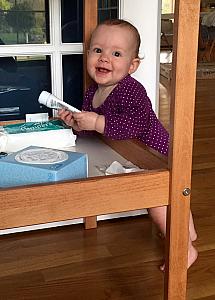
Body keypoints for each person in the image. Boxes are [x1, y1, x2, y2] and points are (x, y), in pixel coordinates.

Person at [58, 19, 198, 270]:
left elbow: (133, 126)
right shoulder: (93, 91)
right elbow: (95, 133)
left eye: (116, 54)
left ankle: (184, 249)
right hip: (125, 153)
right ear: (88, 54)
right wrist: (77, 123)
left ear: (132, 65)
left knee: (157, 200)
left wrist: (98, 121)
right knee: (171, 198)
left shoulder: (131, 91)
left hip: (153, 152)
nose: (104, 58)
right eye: (97, 50)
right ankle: (186, 231)